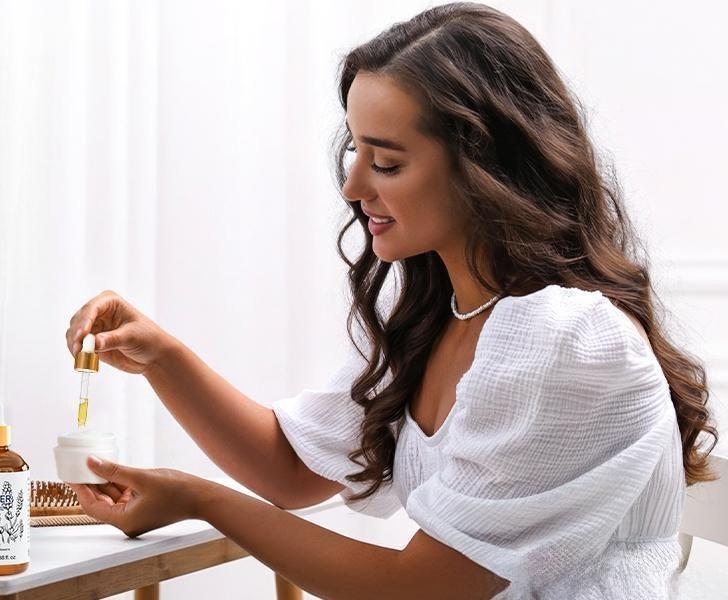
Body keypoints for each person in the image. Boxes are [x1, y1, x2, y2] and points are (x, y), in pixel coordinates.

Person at [63, 4, 718, 598]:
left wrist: (203, 500)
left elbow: (416, 590)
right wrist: (163, 358)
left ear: (482, 165)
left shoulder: (563, 341)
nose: (351, 185)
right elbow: (293, 470)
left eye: (386, 163)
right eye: (354, 150)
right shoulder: (445, 318)